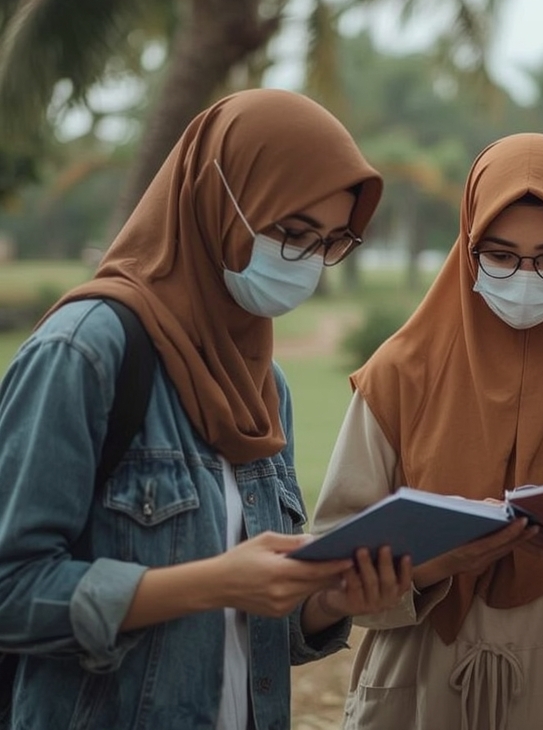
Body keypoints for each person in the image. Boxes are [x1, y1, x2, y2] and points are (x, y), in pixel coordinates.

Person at [0, 88, 412, 730]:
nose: (305, 264)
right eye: (291, 232)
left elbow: (248, 633)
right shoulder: (86, 352)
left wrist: (329, 602)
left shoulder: (264, 384)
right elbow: (12, 590)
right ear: (217, 201)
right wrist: (210, 583)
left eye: (327, 242)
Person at [310, 132, 543, 730]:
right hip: (416, 685)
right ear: (468, 247)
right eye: (501, 254)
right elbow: (329, 573)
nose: (525, 277)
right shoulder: (399, 374)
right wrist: (430, 564)